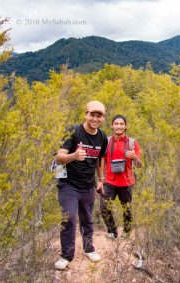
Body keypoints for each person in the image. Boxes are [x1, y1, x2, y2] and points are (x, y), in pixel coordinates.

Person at [54, 101, 108, 270]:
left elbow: (100, 159)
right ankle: (66, 255)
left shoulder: (102, 137)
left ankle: (88, 248)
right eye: (92, 114)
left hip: (88, 185)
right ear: (86, 114)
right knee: (69, 217)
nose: (95, 118)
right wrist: (74, 155)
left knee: (87, 218)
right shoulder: (74, 131)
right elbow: (58, 157)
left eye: (99, 116)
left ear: (103, 118)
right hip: (68, 184)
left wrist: (101, 181)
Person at [98, 115, 142, 240]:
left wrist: (134, 157)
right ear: (112, 126)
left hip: (126, 182)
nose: (119, 126)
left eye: (121, 124)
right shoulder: (106, 142)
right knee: (104, 207)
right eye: (116, 124)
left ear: (125, 126)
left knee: (127, 209)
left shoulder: (132, 143)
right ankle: (112, 231)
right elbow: (101, 162)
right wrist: (101, 180)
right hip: (109, 181)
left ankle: (127, 232)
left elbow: (139, 165)